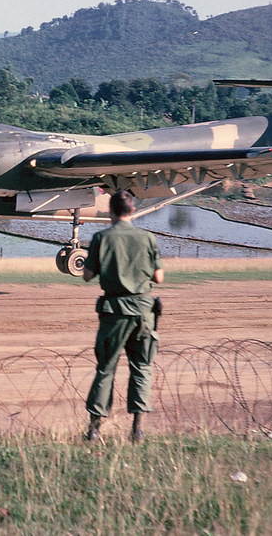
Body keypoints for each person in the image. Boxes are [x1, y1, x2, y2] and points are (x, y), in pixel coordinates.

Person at [81, 189, 164, 444]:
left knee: (105, 369)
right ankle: (137, 430)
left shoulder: (101, 238)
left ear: (111, 211)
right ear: (133, 210)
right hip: (143, 312)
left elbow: (87, 276)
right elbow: (159, 277)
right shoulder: (148, 238)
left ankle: (95, 429)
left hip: (114, 313)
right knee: (141, 368)